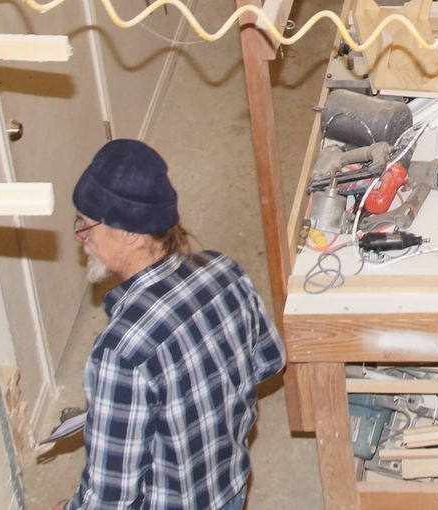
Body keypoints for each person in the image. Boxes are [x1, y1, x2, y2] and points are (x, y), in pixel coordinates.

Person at [58, 139, 285, 510]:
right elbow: (270, 360)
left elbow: (110, 499)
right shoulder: (223, 270)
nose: (80, 238)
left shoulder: (121, 352)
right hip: (229, 489)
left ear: (130, 232)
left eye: (86, 225)